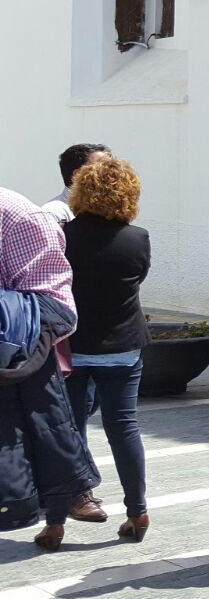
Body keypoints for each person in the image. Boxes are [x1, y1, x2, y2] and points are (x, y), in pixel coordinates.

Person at [0, 187, 100, 551]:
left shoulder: (20, 216)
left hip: (20, 350)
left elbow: (55, 305)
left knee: (46, 429)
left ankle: (62, 504)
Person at [61, 158, 152, 542]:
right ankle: (138, 510)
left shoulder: (64, 234)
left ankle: (74, 500)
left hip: (74, 344)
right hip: (123, 345)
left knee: (70, 427)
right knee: (124, 427)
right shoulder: (138, 237)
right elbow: (139, 277)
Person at [39, 143, 110, 223]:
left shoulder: (113, 211)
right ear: (77, 175)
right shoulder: (54, 213)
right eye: (102, 168)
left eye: (112, 167)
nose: (112, 173)